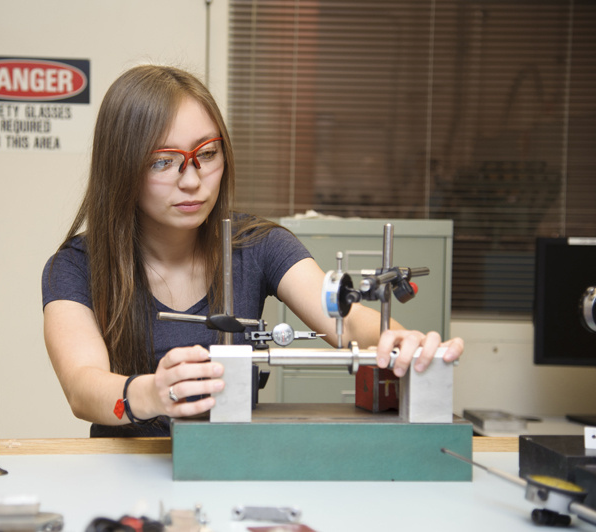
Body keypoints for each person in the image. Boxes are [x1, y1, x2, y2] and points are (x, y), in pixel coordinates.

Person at [42, 64, 464, 437]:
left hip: (232, 462)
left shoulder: (258, 244)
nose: (192, 180)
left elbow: (346, 324)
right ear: (121, 167)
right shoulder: (77, 266)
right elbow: (83, 389)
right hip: (123, 475)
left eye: (206, 154)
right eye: (162, 162)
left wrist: (402, 341)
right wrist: (150, 392)